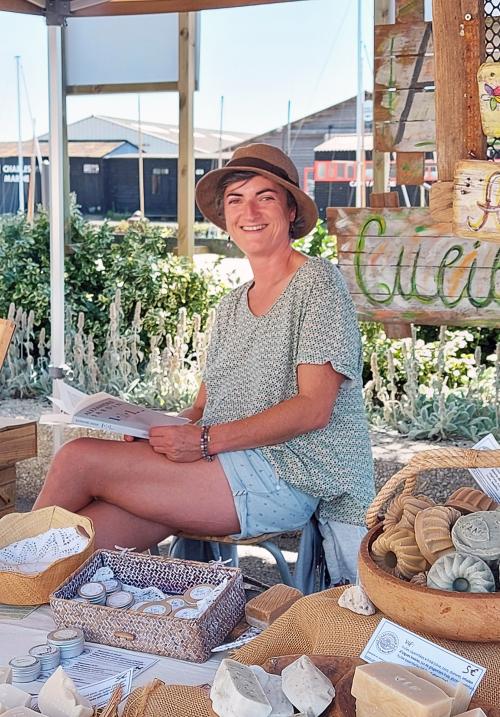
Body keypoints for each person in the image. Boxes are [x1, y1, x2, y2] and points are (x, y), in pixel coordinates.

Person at [34, 143, 374, 566]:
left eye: (265, 197)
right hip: (219, 465)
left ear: (290, 212)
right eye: (236, 200)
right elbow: (203, 405)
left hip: (285, 475)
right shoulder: (231, 306)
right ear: (226, 218)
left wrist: (204, 440)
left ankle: (15, 571)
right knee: (72, 546)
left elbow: (313, 409)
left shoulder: (318, 285)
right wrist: (156, 428)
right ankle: (25, 593)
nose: (249, 212)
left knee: (78, 459)